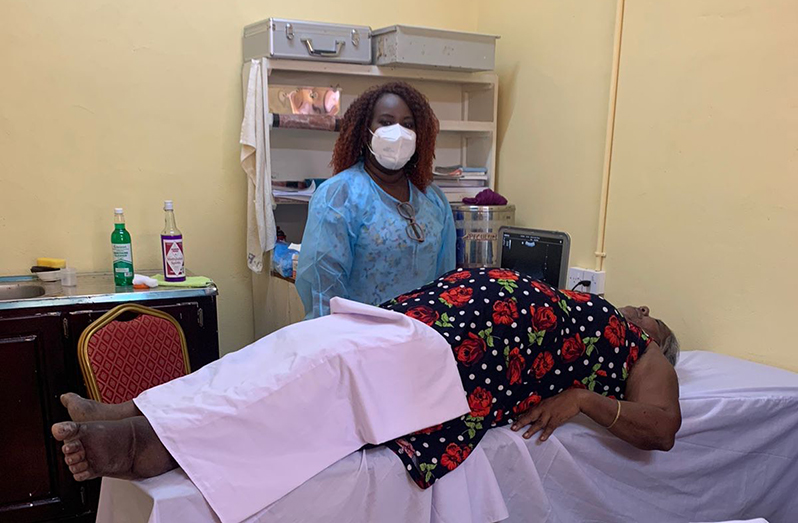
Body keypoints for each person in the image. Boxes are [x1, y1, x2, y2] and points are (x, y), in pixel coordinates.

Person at [51, 269, 681, 496]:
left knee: (325, 378)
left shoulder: (639, 351)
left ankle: (150, 445)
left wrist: (582, 400)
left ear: (656, 336)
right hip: (439, 314)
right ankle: (139, 408)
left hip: (467, 350)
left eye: (653, 314)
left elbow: (664, 430)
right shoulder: (589, 310)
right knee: (293, 346)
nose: (642, 308)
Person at [295, 82, 456, 319]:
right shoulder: (339, 196)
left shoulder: (433, 200)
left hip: (419, 338)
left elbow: (446, 283)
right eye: (387, 122)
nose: (398, 132)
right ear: (365, 129)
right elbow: (324, 292)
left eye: (408, 124)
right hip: (356, 342)